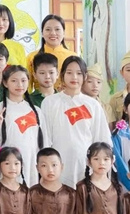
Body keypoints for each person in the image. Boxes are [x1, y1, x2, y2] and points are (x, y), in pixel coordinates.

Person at [40, 56, 111, 188]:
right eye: (69, 73)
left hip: (86, 165)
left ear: (85, 77)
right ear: (62, 75)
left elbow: (101, 138)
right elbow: (45, 137)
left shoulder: (93, 105)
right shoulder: (49, 102)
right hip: (57, 165)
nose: (74, 77)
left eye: (79, 73)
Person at [0, 66, 44, 183]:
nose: (19, 85)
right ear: (5, 83)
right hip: (7, 165)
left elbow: (44, 142)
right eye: (14, 80)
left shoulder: (36, 111)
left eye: (23, 80)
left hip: (31, 163)